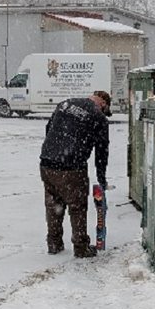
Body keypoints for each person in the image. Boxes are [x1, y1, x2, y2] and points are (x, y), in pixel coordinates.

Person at [39, 91, 111, 258]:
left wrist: (54, 152)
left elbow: (48, 128)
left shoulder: (65, 103)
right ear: (103, 104)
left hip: (47, 163)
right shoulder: (98, 117)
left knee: (54, 204)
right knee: (77, 206)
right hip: (71, 167)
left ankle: (54, 243)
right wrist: (101, 178)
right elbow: (102, 152)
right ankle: (81, 247)